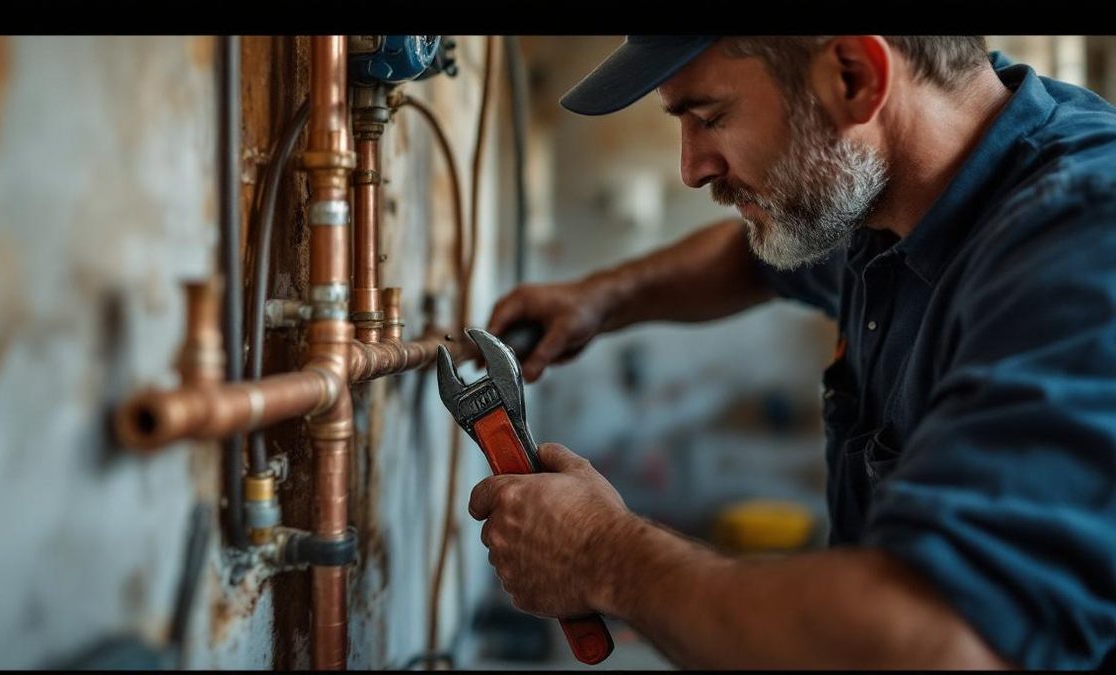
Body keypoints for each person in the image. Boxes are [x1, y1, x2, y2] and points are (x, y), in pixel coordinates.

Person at [468, 36, 1116, 669]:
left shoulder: (1082, 243)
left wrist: (603, 558)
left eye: (709, 116)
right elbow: (752, 262)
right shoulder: (900, 180)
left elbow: (935, 639)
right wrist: (599, 298)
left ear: (854, 76)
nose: (692, 168)